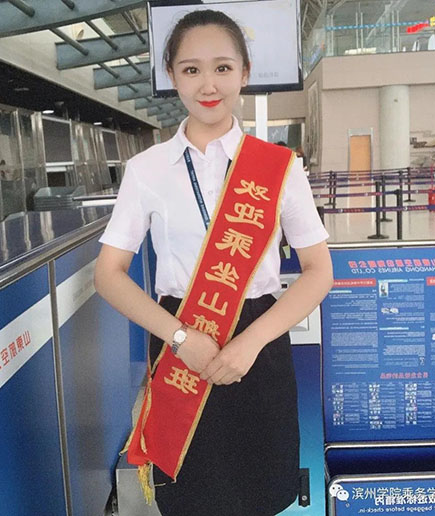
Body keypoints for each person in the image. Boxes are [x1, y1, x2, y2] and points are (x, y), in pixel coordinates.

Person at [94, 9, 333, 516]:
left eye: (223, 68)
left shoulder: (279, 168)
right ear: (171, 76)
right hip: (180, 334)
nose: (208, 84)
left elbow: (319, 271)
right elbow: (108, 275)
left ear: (245, 73)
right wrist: (181, 338)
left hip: (258, 340)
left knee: (261, 489)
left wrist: (250, 342)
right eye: (191, 69)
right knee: (191, 492)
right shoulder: (146, 170)